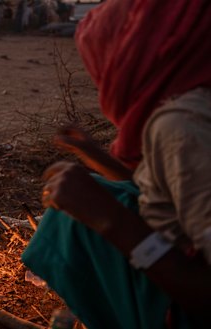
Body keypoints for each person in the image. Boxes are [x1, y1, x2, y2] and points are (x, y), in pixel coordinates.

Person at [21, 0, 211, 328]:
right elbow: (170, 190)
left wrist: (109, 220)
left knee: (70, 223)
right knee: (110, 190)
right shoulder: (196, 103)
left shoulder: (181, 126)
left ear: (134, 60)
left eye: (105, 70)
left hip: (183, 310)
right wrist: (96, 157)